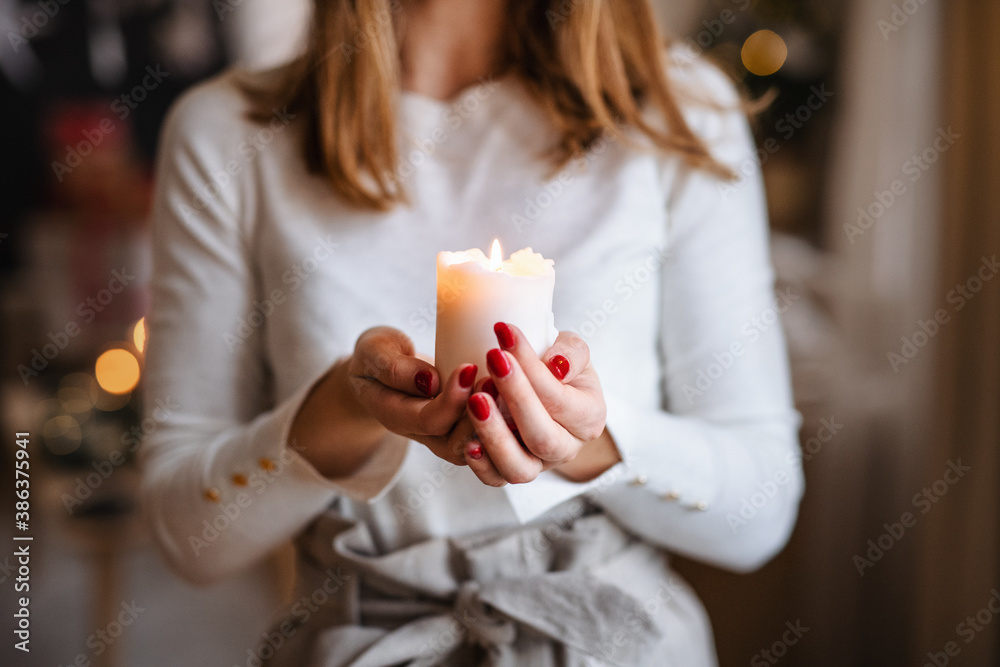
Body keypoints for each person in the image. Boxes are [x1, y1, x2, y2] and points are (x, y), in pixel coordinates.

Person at [141, 0, 804, 664]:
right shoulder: (227, 133)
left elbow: (760, 510)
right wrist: (346, 411)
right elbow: (187, 537)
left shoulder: (677, 111)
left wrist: (589, 441)